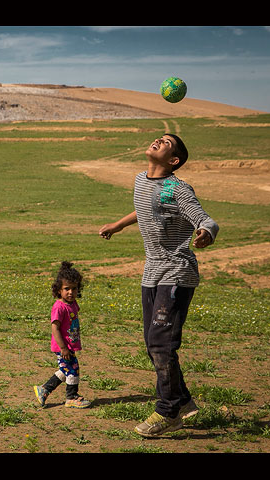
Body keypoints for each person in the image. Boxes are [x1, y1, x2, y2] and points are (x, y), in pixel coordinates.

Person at [99, 133, 219, 437]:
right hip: (152, 273)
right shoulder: (142, 179)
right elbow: (147, 208)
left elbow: (205, 219)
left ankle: (168, 411)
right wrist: (118, 225)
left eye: (165, 142)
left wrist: (205, 232)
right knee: (153, 343)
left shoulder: (179, 189)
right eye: (158, 137)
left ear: (173, 160)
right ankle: (184, 401)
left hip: (177, 272)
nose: (157, 140)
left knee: (160, 343)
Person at [33, 261, 91, 409]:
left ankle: (45, 389)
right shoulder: (59, 307)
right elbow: (55, 328)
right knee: (72, 369)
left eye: (74, 288)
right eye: (66, 289)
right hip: (62, 346)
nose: (70, 292)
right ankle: (71, 397)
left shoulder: (72, 304)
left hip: (69, 344)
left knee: (66, 370)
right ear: (59, 290)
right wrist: (63, 348)